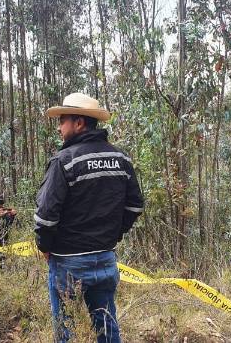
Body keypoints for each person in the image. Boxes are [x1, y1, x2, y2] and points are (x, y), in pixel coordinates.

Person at [34, 93, 144, 343]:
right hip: (106, 259)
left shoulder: (64, 161)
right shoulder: (121, 159)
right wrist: (113, 234)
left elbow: (45, 217)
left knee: (65, 332)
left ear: (79, 123)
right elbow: (135, 206)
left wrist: (45, 247)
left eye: (62, 120)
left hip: (67, 264)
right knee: (107, 328)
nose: (59, 127)